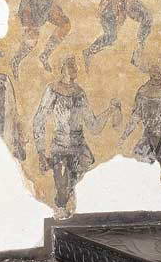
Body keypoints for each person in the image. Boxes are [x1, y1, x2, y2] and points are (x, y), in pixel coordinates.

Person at [33, 55, 120, 212]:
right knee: (62, 194)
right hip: (59, 148)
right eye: (71, 65)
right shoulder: (53, 90)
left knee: (74, 189)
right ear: (62, 69)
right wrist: (40, 152)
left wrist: (110, 110)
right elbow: (39, 120)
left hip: (79, 150)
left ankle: (68, 205)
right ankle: (61, 209)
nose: (75, 68)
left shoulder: (80, 93)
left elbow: (93, 126)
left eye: (75, 66)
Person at [119, 62, 161, 178]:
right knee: (141, 173)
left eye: (159, 69)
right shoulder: (143, 91)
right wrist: (124, 136)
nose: (156, 72)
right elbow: (135, 117)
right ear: (149, 71)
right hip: (147, 140)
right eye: (154, 68)